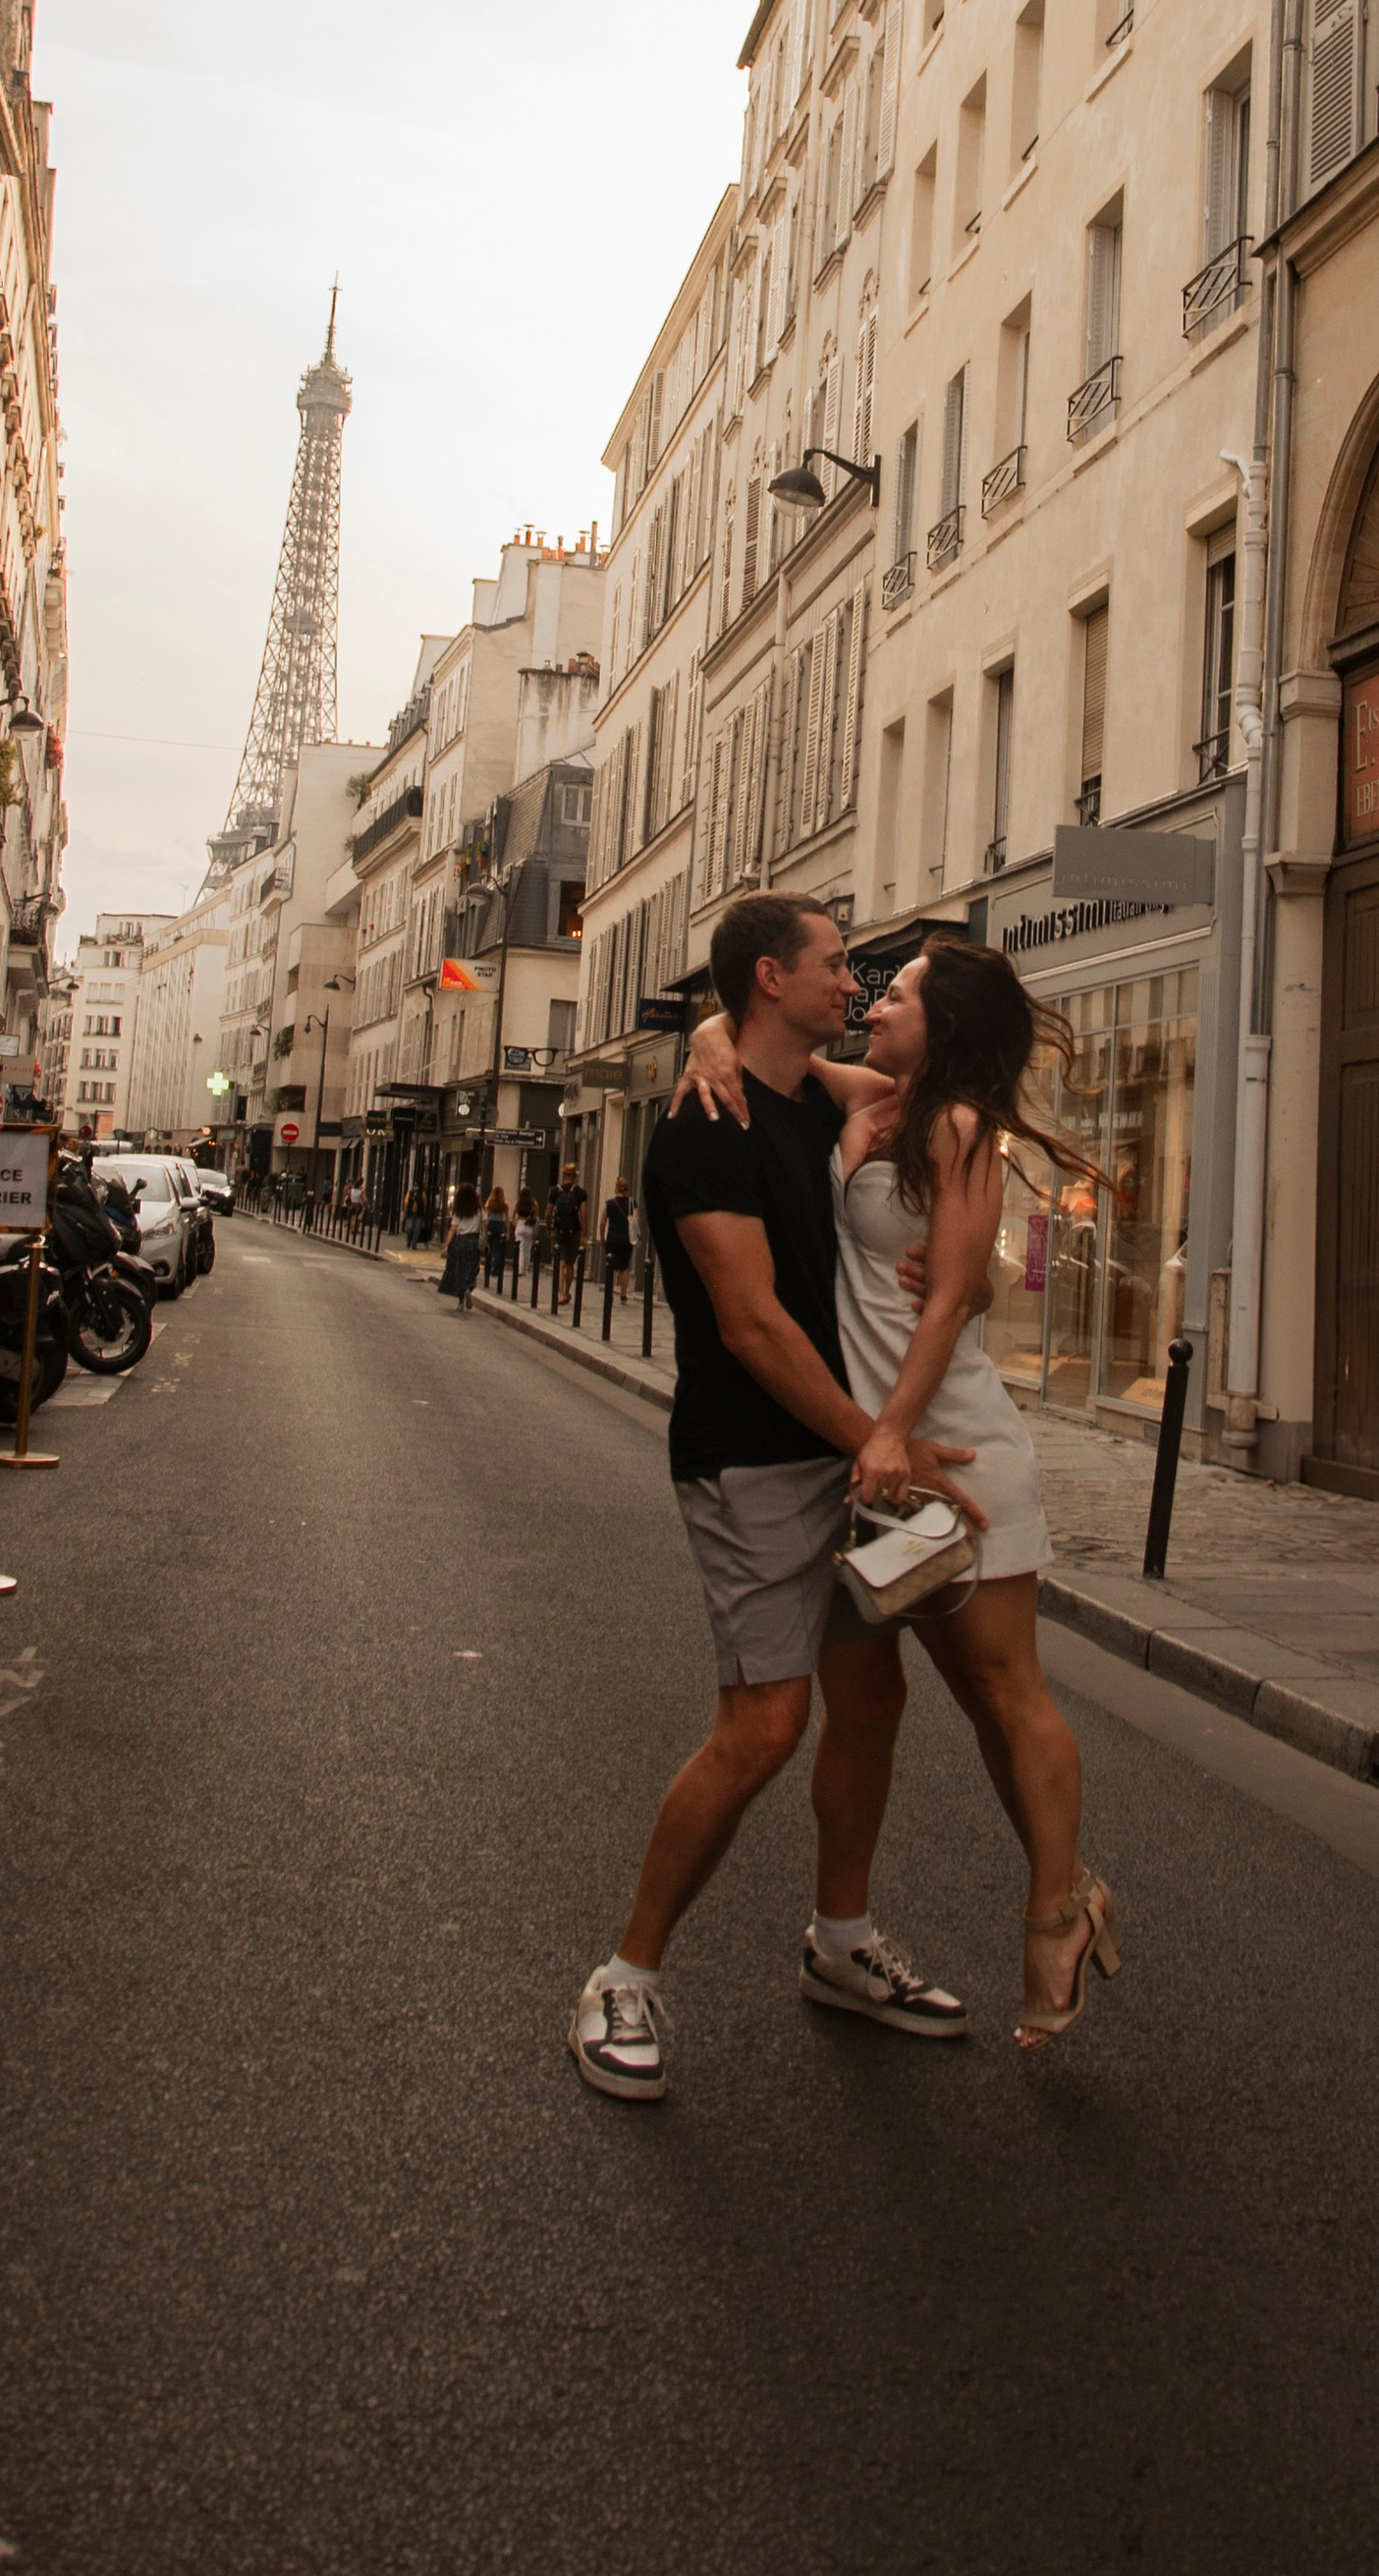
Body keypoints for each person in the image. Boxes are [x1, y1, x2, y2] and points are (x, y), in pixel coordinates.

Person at [570, 894, 984, 2106]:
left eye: (861, 974)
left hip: (838, 1454)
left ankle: (842, 1943)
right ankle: (623, 1974)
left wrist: (970, 1260)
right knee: (760, 1726)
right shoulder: (703, 1130)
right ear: (769, 976)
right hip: (753, 1456)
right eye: (831, 967)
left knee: (869, 1701)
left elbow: (921, 1093)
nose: (849, 985)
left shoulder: (806, 1093)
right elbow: (748, 1326)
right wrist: (881, 1442)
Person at [676, 936, 1119, 2048]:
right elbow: (759, 1039)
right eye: (870, 986)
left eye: (902, 994)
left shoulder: (961, 1127)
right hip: (867, 1467)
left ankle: (1057, 1910)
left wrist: (892, 1432)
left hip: (945, 1452)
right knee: (874, 1702)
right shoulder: (872, 1098)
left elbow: (951, 1298)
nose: (875, 1001)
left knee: (1003, 1693)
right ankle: (843, 1936)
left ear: (947, 1022)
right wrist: (708, 1030)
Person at [438, 1184, 482, 1304]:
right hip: (474, 1242)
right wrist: (485, 1241)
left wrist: (447, 1244)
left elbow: (453, 1228)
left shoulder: (459, 1211)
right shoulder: (479, 1210)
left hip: (460, 1241)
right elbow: (485, 1225)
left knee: (459, 1270)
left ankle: (460, 1301)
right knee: (472, 1268)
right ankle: (469, 1287)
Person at [550, 1166, 586, 1310]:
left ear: (563, 1174)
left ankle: (559, 1293)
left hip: (559, 1230)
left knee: (560, 1262)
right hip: (574, 1231)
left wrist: (549, 1227)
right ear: (575, 1176)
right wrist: (584, 1233)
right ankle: (566, 1291)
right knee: (571, 1263)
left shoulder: (555, 1191)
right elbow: (583, 1214)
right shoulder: (580, 1193)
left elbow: (548, 1211)